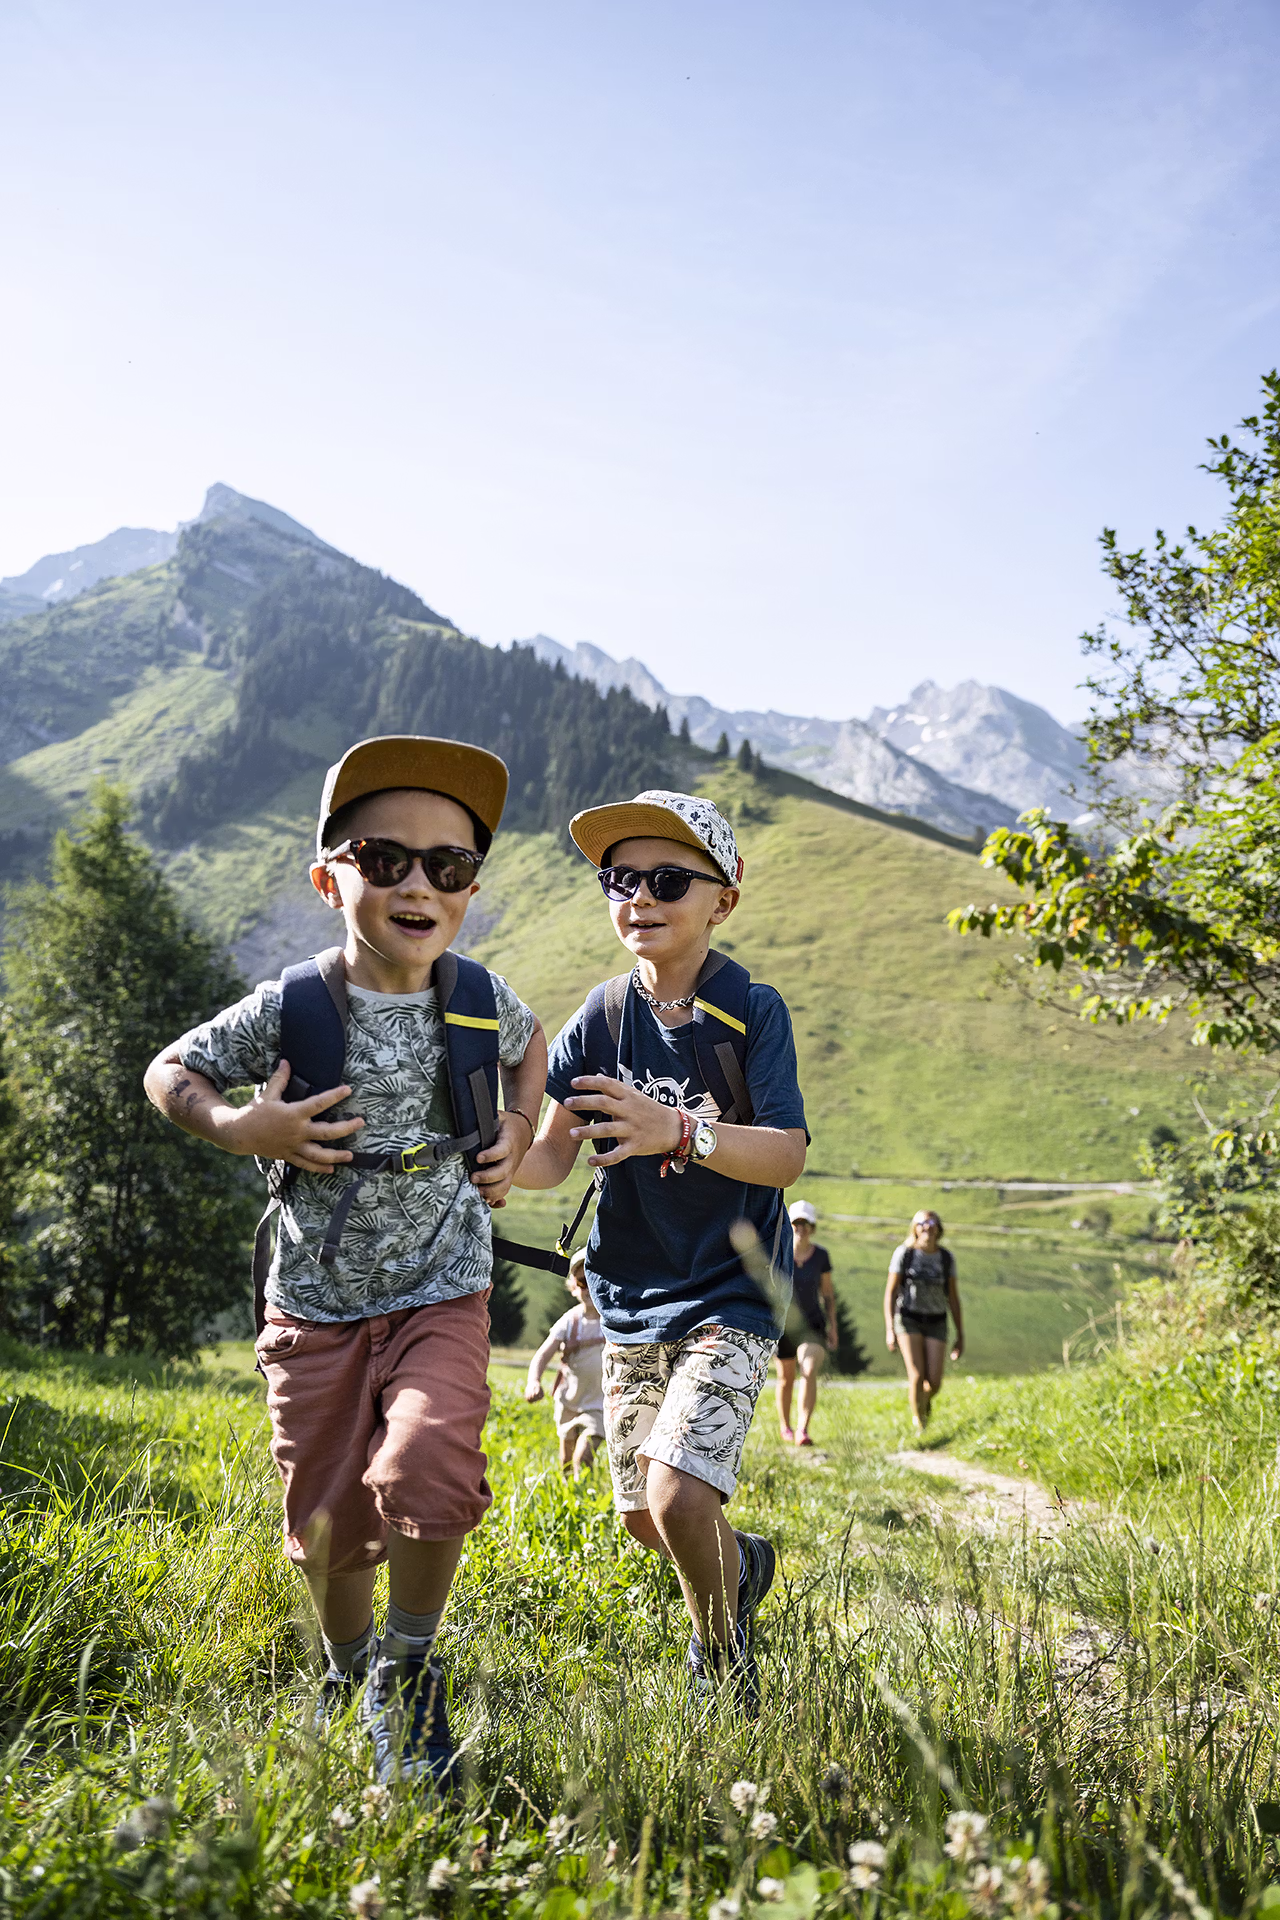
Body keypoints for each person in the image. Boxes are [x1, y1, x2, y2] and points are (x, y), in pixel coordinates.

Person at [143, 735, 547, 1789]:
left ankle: (407, 1674)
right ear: (332, 879)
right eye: (387, 858)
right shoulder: (293, 1006)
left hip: (442, 1288)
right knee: (327, 1525)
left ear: (468, 890)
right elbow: (169, 1069)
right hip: (312, 1302)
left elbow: (531, 1040)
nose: (419, 883)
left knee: (429, 1468)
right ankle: (348, 1666)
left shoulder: (476, 996)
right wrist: (242, 1127)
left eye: (448, 867)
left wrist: (512, 1125)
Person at [515, 789, 808, 1705]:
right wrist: (465, 1152)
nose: (639, 896)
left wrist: (678, 1131)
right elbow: (548, 1159)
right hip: (629, 1297)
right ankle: (745, 1566)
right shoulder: (597, 1019)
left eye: (669, 879)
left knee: (682, 1497)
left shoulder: (751, 1013)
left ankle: (720, 1661)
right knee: (648, 1518)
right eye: (621, 878)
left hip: (733, 1292)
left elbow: (787, 1154)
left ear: (725, 894)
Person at [524, 1250, 606, 1476]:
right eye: (581, 1282)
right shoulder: (570, 1321)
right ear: (573, 1287)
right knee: (567, 1460)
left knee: (584, 1455)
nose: (588, 1288)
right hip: (569, 1400)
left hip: (598, 1402)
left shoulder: (611, 1320)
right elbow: (543, 1354)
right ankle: (569, 1496)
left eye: (593, 1279)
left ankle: (584, 1498)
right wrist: (534, 1381)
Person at [884, 1209, 964, 1433]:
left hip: (937, 1320)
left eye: (932, 1222)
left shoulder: (946, 1258)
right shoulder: (904, 1254)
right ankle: (920, 1424)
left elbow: (954, 1298)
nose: (927, 1227)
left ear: (939, 1228)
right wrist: (890, 1329)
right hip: (908, 1319)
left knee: (935, 1382)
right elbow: (890, 1293)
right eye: (922, 1223)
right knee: (917, 1375)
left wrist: (960, 1335)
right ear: (915, 1228)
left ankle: (922, 1400)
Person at [774, 1200, 837, 1446]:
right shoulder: (780, 1252)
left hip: (813, 1325)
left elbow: (828, 1294)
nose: (801, 1228)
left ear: (812, 1227)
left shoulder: (821, 1256)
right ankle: (785, 1426)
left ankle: (803, 1429)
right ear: (790, 1225)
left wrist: (833, 1326)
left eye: (805, 1223)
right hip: (784, 1326)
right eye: (796, 1223)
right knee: (786, 1378)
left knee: (808, 1371)